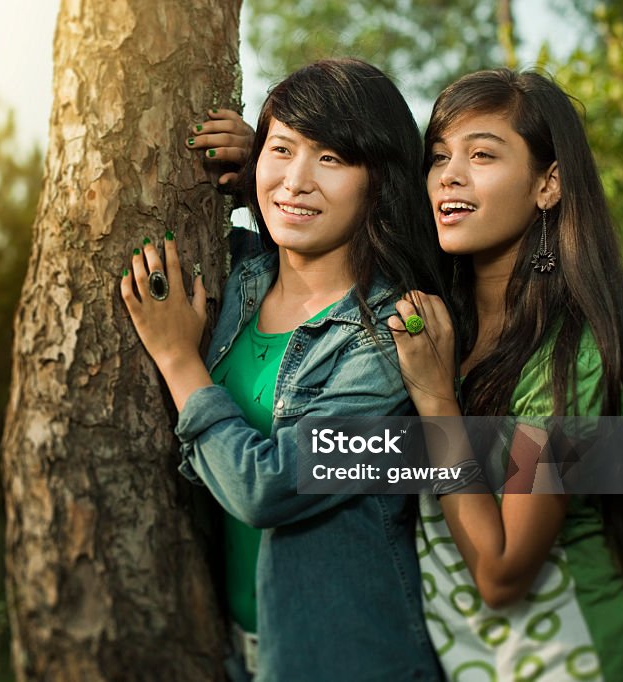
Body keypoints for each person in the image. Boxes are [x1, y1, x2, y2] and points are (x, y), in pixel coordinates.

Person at [121, 59, 445, 680]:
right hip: (236, 652)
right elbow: (280, 202)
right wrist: (254, 178)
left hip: (348, 660)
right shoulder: (240, 278)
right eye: (282, 149)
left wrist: (178, 359)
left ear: (381, 180)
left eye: (331, 159)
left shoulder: (390, 337)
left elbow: (267, 488)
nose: (297, 180)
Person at [387, 68, 623, 681]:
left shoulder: (569, 358)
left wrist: (438, 401)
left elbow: (502, 573)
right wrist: (254, 163)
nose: (450, 174)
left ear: (548, 183)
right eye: (439, 156)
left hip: (575, 662)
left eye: (482, 155)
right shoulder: (447, 325)